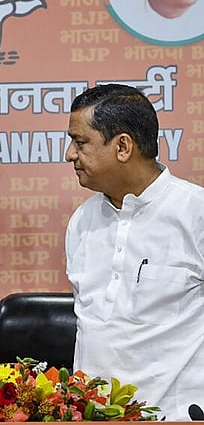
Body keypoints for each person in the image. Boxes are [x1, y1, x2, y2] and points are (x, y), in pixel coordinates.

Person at [65, 83, 204, 421]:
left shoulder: (196, 213)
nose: (70, 154)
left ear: (123, 146)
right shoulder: (82, 221)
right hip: (93, 416)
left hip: (178, 416)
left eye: (80, 142)